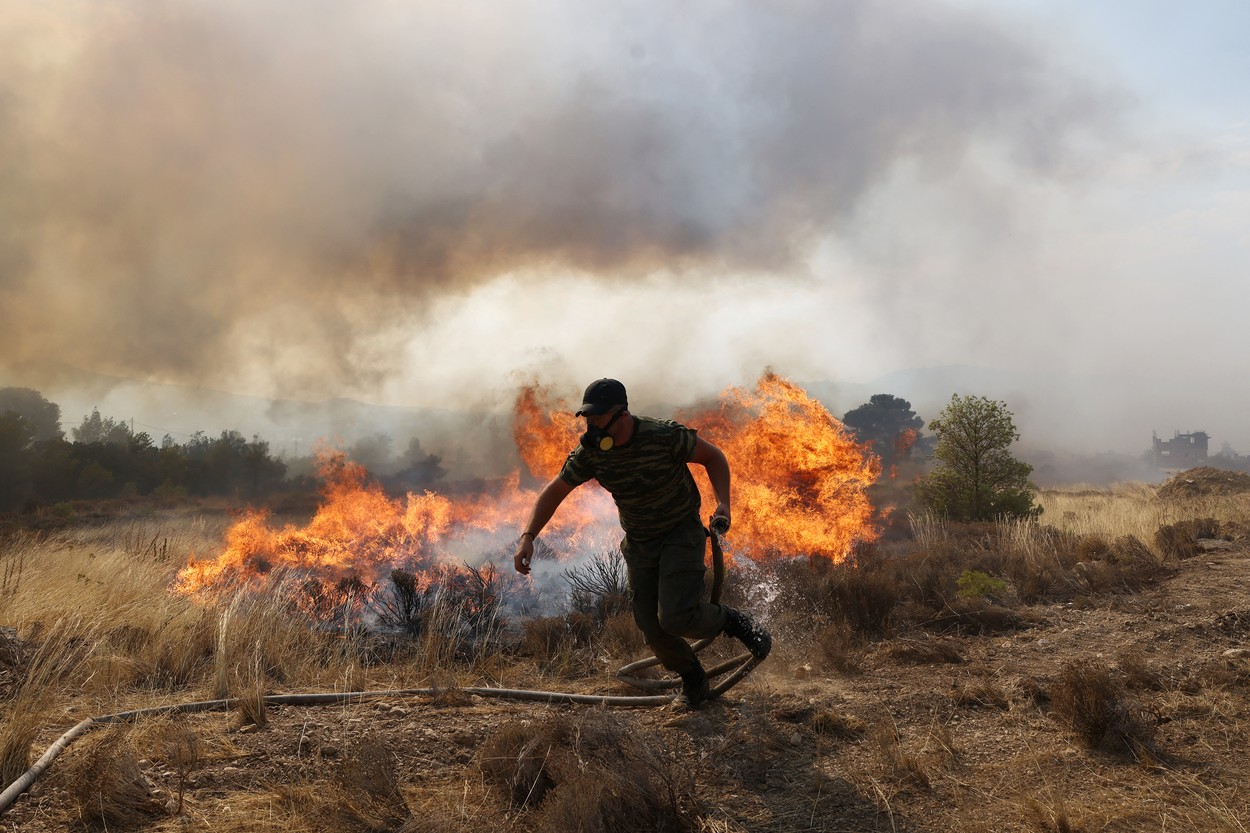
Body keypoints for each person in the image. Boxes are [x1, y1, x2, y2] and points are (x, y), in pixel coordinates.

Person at [513, 378, 771, 710]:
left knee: (676, 617)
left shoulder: (663, 436)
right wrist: (528, 537)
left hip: (680, 532)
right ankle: (693, 678)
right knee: (652, 627)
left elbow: (713, 457)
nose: (590, 425)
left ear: (620, 414)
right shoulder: (591, 453)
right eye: (587, 418)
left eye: (597, 417)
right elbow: (555, 491)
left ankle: (737, 622)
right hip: (640, 542)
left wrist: (724, 503)